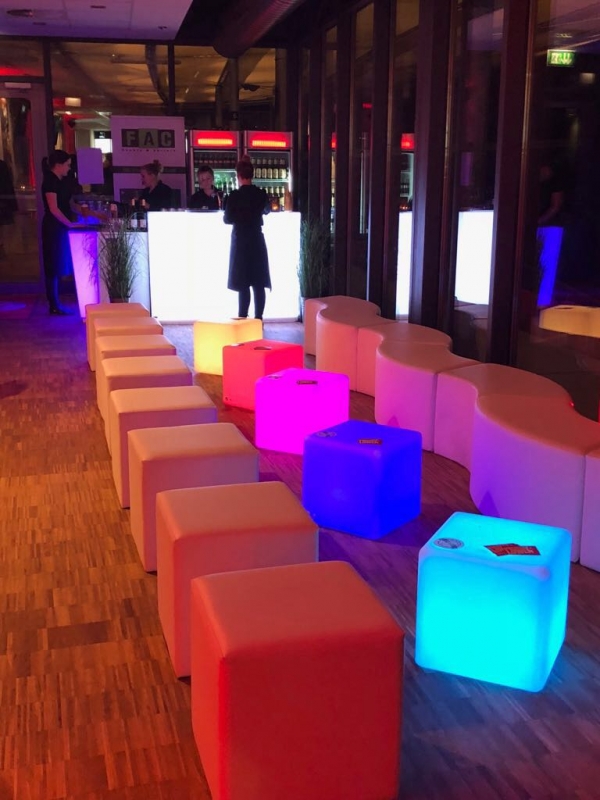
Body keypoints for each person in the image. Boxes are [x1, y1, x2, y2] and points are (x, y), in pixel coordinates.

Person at [41, 149, 88, 315]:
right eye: (67, 165)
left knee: (57, 263)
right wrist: (70, 224)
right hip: (54, 227)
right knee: (53, 264)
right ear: (58, 165)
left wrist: (79, 216)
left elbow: (66, 205)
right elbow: (54, 209)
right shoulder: (50, 182)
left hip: (60, 225)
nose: (69, 168)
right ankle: (54, 304)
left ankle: (55, 303)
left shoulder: (60, 181)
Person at [224, 157, 271, 319]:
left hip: (241, 241)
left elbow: (227, 219)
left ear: (238, 175)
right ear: (252, 174)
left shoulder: (234, 196)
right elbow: (267, 210)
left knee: (243, 283)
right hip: (257, 240)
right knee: (258, 283)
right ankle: (259, 319)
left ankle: (243, 318)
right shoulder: (260, 194)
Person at [538, 160, 565, 226]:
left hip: (550, 224)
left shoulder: (556, 183)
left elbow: (555, 207)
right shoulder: (530, 183)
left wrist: (539, 221)